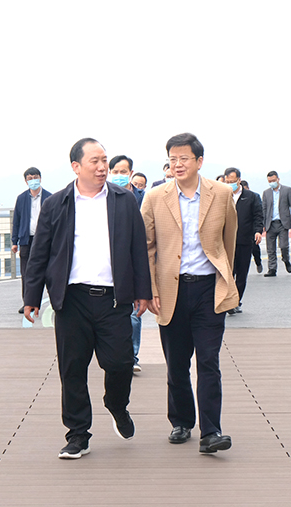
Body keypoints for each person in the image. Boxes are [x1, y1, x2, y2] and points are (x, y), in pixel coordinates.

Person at [23, 138, 152, 460]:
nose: (102, 167)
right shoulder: (57, 204)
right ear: (76, 166)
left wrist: (143, 291)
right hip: (72, 299)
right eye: (94, 161)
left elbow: (138, 248)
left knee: (120, 362)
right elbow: (39, 254)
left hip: (113, 299)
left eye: (104, 160)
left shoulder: (123, 200)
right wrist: (31, 296)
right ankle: (78, 434)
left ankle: (116, 404)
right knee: (73, 369)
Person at [141, 132, 238, 454]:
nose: (177, 164)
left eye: (184, 158)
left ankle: (211, 431)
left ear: (199, 161)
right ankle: (181, 421)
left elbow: (229, 240)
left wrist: (227, 279)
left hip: (209, 289)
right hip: (171, 290)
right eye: (173, 159)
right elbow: (147, 247)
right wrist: (151, 289)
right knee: (177, 362)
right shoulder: (155, 197)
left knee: (209, 360)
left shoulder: (221, 193)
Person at [109, 154, 145, 372]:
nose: (119, 175)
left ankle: (132, 356)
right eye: (115, 172)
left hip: (135, 262)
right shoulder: (104, 197)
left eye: (123, 172)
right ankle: (118, 355)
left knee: (134, 314)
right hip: (113, 266)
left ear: (130, 173)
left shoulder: (143, 198)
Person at [11, 167, 52, 312]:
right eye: (30, 178)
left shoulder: (49, 197)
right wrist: (14, 241)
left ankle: (53, 302)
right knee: (27, 273)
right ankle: (27, 302)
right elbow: (16, 220)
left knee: (49, 271)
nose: (33, 181)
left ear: (40, 178)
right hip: (26, 240)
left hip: (44, 239)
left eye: (35, 177)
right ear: (26, 181)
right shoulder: (21, 198)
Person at [224, 167, 263, 314]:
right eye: (227, 181)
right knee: (228, 273)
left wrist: (258, 231)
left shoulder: (251, 197)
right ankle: (227, 301)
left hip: (244, 240)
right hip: (226, 242)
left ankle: (236, 301)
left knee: (241, 273)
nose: (230, 184)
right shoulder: (222, 196)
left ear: (239, 180)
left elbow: (258, 216)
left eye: (232, 181)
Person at [261, 171, 291, 277]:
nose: (272, 182)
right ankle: (272, 269)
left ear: (278, 179)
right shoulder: (266, 193)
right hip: (270, 223)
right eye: (269, 181)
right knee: (270, 248)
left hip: (283, 223)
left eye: (273, 180)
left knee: (284, 246)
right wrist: (262, 224)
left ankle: (286, 260)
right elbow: (264, 209)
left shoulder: (287, 190)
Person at [241, 180, 264, 273]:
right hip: (242, 227)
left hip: (252, 226)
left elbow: (259, 212)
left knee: (255, 247)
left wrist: (259, 228)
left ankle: (258, 262)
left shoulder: (254, 196)